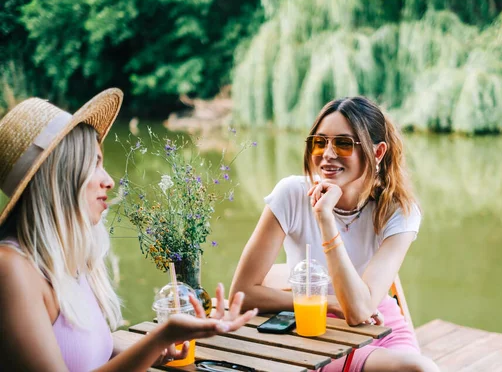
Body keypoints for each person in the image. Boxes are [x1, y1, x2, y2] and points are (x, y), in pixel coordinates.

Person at [0, 89, 258, 371]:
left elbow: (88, 356)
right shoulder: (11, 269)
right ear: (60, 176)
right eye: (94, 164)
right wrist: (162, 335)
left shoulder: (69, 259)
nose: (109, 181)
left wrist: (154, 349)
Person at [230, 97, 439, 372]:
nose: (327, 154)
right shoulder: (291, 194)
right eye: (320, 142)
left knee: (419, 369)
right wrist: (328, 303)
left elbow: (361, 310)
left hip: (380, 326)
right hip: (315, 329)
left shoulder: (398, 210)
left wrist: (325, 219)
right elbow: (242, 294)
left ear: (377, 152)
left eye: (343, 143)